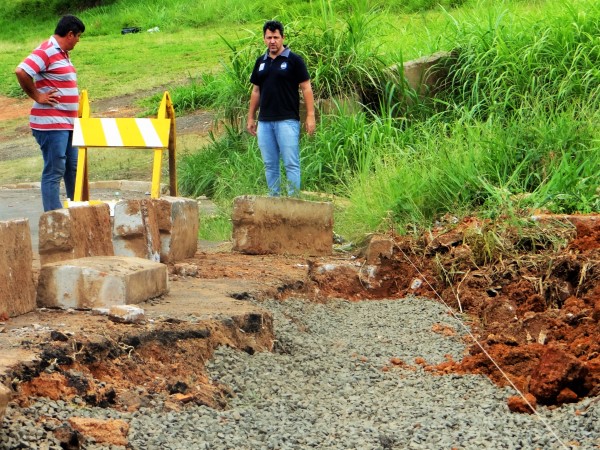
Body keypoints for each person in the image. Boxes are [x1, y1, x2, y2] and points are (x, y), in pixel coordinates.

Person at [15, 15, 85, 211]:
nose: (79, 40)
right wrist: (37, 95)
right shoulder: (46, 50)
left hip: (68, 123)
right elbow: (21, 71)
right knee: (55, 170)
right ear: (70, 34)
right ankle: (55, 220)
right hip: (51, 124)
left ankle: (77, 212)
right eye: (78, 36)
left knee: (72, 168)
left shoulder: (62, 53)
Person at [247, 20, 316, 197]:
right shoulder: (260, 62)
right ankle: (274, 201)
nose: (272, 41)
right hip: (265, 122)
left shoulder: (294, 60)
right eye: (269, 37)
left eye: (276, 37)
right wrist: (251, 117)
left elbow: (306, 87)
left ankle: (293, 202)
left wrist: (310, 115)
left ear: (282, 38)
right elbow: (256, 91)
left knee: (291, 163)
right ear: (264, 39)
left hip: (287, 120)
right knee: (270, 164)